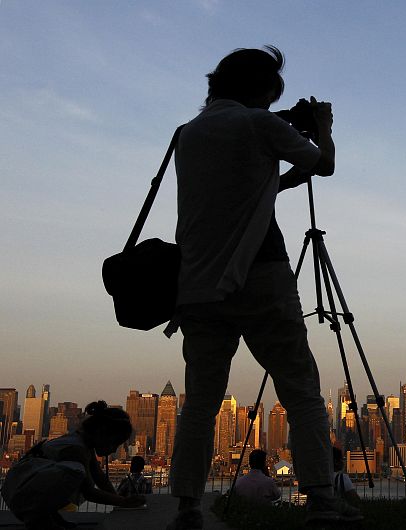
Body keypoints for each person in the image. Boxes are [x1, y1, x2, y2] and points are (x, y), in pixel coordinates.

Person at [166, 45, 361, 529]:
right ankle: (320, 501)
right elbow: (326, 164)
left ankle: (187, 509)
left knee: (200, 405)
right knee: (301, 389)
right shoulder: (258, 124)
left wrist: (282, 169)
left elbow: (241, 192)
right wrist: (322, 128)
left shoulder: (188, 134)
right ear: (261, 90)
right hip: (261, 275)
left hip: (197, 286)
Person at [2, 401, 146, 529]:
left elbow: (100, 478)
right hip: (22, 495)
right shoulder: (76, 449)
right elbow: (89, 492)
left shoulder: (81, 443)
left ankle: (49, 516)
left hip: (18, 487)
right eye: (115, 443)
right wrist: (124, 502)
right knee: (76, 473)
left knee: (75, 473)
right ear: (103, 433)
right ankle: (37, 519)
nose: (114, 449)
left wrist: (119, 501)